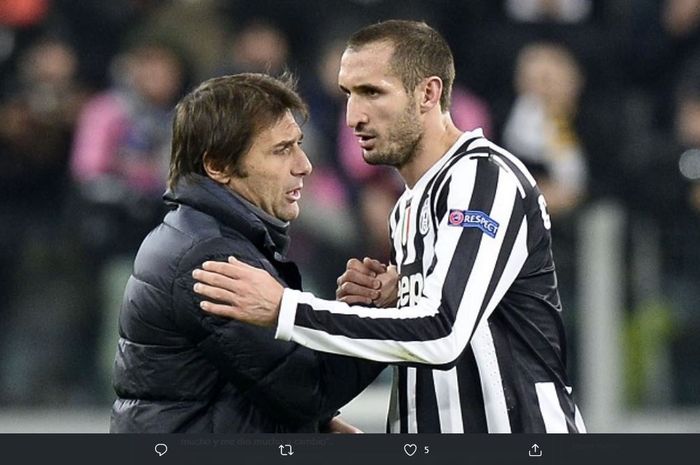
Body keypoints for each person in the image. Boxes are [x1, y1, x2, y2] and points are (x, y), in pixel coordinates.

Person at [193, 20, 586, 433]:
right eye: (347, 94)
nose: (352, 117)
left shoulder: (483, 179)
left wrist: (284, 308)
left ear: (428, 94)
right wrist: (399, 295)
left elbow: (442, 333)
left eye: (372, 92)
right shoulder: (409, 206)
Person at [110, 73, 383, 433]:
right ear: (218, 166)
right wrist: (381, 316)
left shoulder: (210, 235)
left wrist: (319, 426)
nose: (304, 165)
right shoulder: (210, 259)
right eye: (282, 149)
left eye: (299, 145)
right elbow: (307, 388)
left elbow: (251, 379)